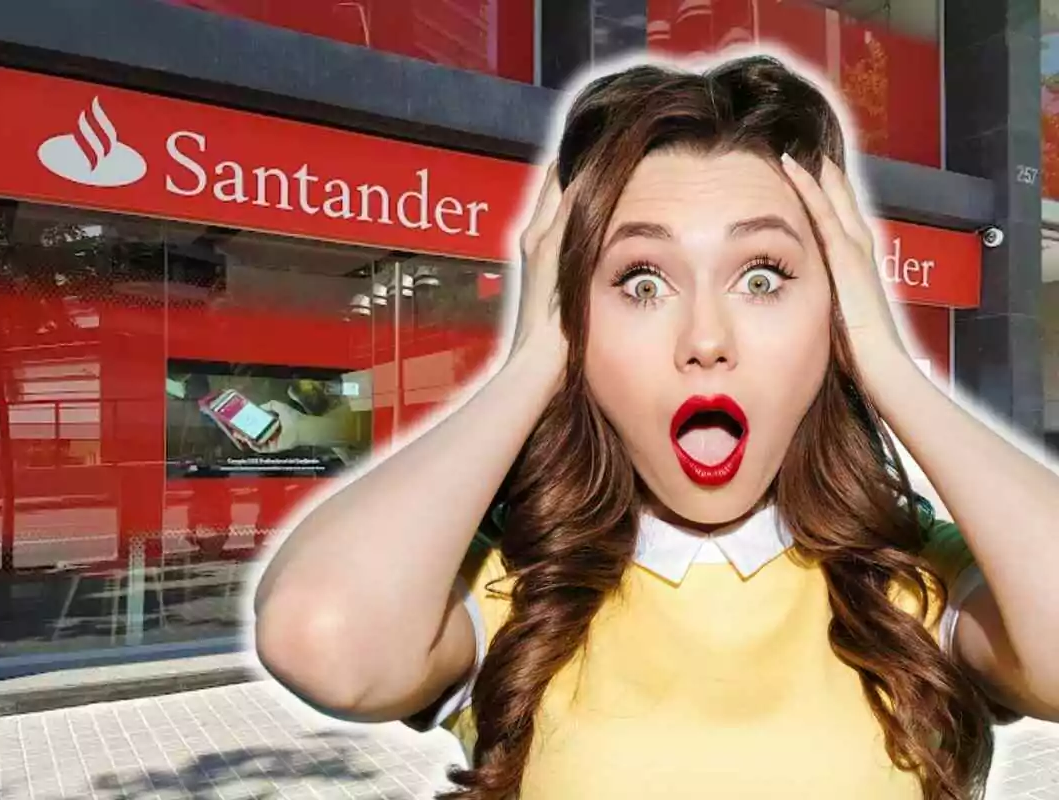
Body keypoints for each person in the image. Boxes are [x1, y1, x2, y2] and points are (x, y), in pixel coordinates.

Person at [252, 54, 1059, 800]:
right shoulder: (518, 592)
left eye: (764, 277)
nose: (706, 340)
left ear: (834, 314)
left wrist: (884, 359)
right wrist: (533, 358)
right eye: (641, 281)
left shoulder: (914, 586)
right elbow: (322, 640)